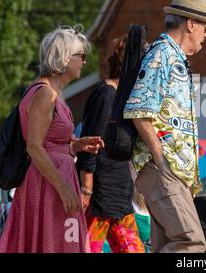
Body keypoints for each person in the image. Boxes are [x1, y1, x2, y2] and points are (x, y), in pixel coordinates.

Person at [0, 25, 104, 253]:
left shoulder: (53, 93)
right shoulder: (44, 93)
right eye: (81, 56)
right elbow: (35, 147)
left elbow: (48, 141)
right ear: (65, 59)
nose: (84, 62)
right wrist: (64, 189)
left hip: (53, 180)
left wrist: (75, 145)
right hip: (47, 184)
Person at [123, 0, 206, 253]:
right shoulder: (162, 55)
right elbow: (138, 110)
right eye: (205, 28)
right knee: (190, 242)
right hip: (164, 167)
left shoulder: (170, 56)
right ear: (190, 24)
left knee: (165, 244)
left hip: (169, 168)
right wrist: (161, 158)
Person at [76, 32, 145, 253]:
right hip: (99, 193)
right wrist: (86, 190)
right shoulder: (106, 95)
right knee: (89, 249)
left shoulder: (125, 97)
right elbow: (89, 145)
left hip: (120, 191)